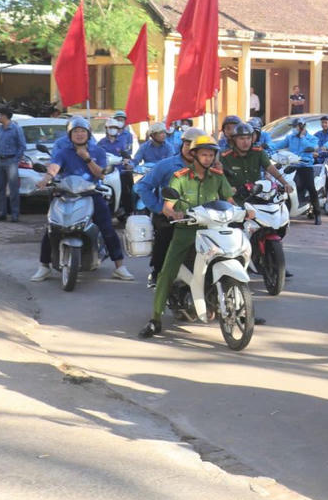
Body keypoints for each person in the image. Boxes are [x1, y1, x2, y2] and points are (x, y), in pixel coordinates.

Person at [139, 135, 235, 339]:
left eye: (211, 154)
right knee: (167, 271)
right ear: (194, 155)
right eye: (204, 154)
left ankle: (237, 306)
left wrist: (245, 211)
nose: (208, 158)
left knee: (230, 257)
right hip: (186, 231)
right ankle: (155, 319)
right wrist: (173, 213)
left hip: (211, 231)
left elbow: (229, 199)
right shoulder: (180, 177)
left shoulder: (217, 176)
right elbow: (168, 206)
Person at [30, 117, 134, 282]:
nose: (79, 134)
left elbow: (100, 174)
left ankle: (120, 266)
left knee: (107, 228)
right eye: (76, 131)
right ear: (70, 134)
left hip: (91, 193)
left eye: (82, 131)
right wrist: (46, 179)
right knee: (52, 227)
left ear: (88, 134)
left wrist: (86, 157)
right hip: (66, 193)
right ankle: (44, 266)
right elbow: (54, 167)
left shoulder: (97, 151)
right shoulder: (63, 152)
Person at [134, 127, 204, 287]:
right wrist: (160, 208)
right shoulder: (166, 165)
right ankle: (159, 275)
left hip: (202, 217)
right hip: (170, 217)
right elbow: (142, 187)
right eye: (187, 144)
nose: (190, 149)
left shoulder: (211, 167)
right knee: (165, 240)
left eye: (195, 146)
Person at [220, 122, 289, 203]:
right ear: (234, 140)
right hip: (235, 201)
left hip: (257, 198)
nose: (246, 142)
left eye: (248, 138)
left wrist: (285, 183)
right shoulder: (225, 156)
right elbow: (218, 178)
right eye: (242, 138)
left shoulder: (259, 152)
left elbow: (269, 167)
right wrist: (227, 190)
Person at [271, 118, 322, 224]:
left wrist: (302, 137)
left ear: (302, 127)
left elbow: (311, 147)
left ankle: (317, 214)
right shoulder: (290, 137)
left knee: (311, 188)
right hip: (291, 165)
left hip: (305, 166)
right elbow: (277, 145)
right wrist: (267, 146)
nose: (294, 129)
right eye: (293, 127)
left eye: (296, 127)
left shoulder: (312, 139)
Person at [0, 108, 26, 222]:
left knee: (13, 189)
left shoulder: (16, 129)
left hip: (10, 161)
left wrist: (15, 159)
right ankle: (1, 213)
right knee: (0, 189)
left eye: (0, 115)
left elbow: (22, 146)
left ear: (5, 116)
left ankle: (15, 214)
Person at [96, 119, 135, 218]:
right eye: (111, 127)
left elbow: (126, 155)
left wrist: (126, 160)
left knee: (127, 189)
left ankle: (128, 212)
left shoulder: (122, 142)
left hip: (120, 171)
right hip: (106, 172)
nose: (113, 130)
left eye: (115, 128)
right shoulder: (101, 143)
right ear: (106, 129)